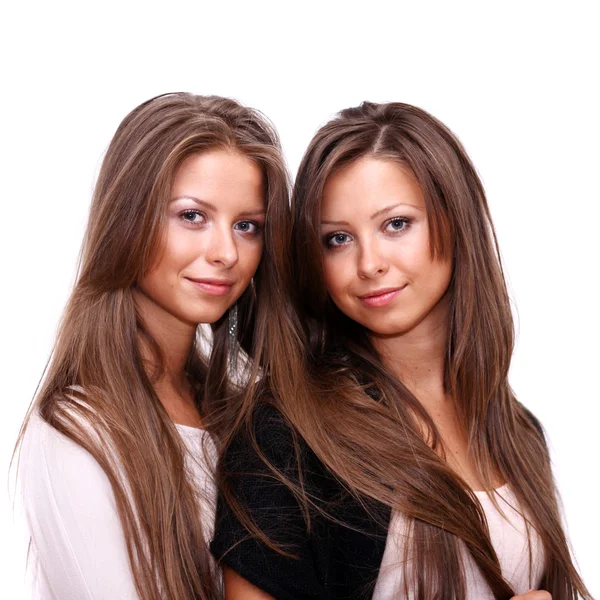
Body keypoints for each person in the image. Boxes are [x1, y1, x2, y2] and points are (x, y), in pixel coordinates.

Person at [211, 102, 592, 599]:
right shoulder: (282, 435)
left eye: (395, 225)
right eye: (337, 239)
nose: (369, 263)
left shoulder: (517, 430)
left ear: (455, 222)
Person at [16, 92, 289, 600]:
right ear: (128, 221)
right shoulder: (78, 429)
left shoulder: (238, 413)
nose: (226, 253)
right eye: (192, 216)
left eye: (247, 226)